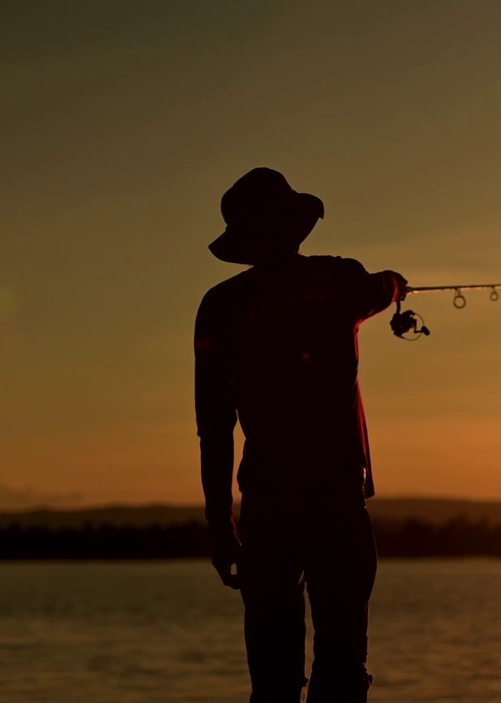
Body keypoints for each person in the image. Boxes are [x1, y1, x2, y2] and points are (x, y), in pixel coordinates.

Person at [194, 167, 406, 703]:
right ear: (295, 225)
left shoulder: (220, 306)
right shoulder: (339, 280)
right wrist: (396, 285)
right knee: (343, 663)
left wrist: (221, 525)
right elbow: (381, 287)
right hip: (338, 497)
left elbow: (213, 426)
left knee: (273, 676)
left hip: (267, 503)